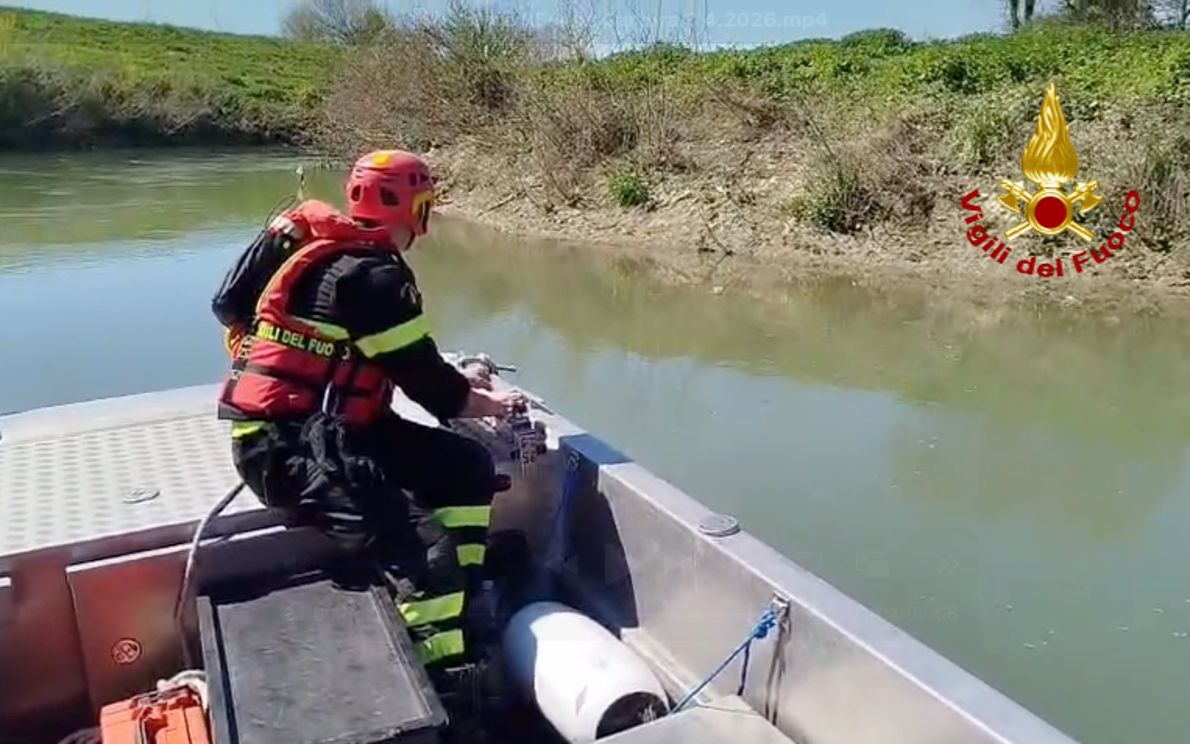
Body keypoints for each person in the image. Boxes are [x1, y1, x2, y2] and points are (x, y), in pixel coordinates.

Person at [210, 149, 523, 677]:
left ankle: (468, 599)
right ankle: (445, 681)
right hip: (288, 451)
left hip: (341, 432)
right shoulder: (374, 278)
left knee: (466, 467)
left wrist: (455, 384)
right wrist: (494, 402)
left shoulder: (337, 256)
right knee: (430, 560)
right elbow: (437, 394)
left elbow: (405, 362)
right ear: (418, 209)